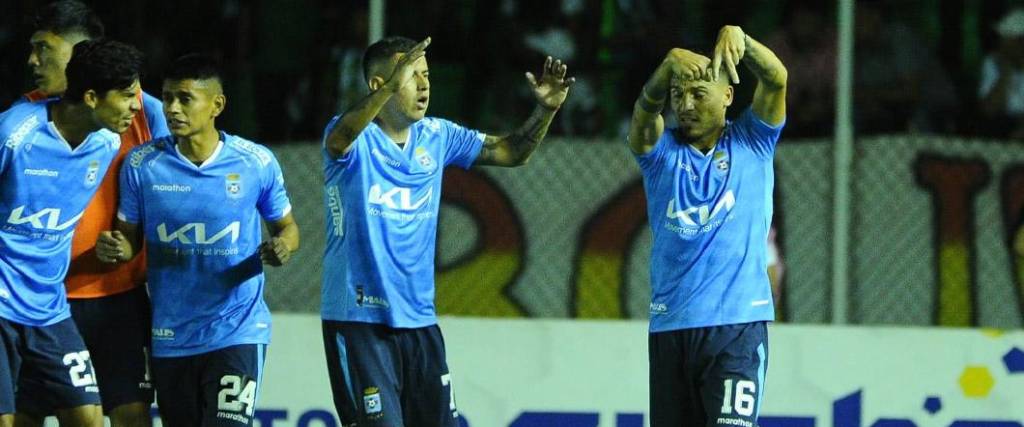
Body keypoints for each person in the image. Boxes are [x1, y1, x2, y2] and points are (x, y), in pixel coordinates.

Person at [320, 36, 573, 426]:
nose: (424, 85)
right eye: (411, 76)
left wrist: (545, 110)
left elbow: (511, 151)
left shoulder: (437, 136)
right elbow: (339, 140)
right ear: (379, 85)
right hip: (359, 322)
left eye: (426, 75)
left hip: (420, 322)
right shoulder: (350, 137)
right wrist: (390, 87)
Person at [95, 54, 299, 427]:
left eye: (185, 98)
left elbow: (287, 228)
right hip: (171, 334)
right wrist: (117, 249)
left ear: (216, 105)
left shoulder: (256, 162)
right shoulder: (142, 165)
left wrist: (283, 246)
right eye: (168, 97)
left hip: (237, 328)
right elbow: (128, 242)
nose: (172, 108)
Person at [15, 2, 168, 425]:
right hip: (45, 300)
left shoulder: (140, 111)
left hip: (118, 301)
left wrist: (135, 241)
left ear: (81, 52)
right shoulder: (24, 120)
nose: (33, 61)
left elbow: (180, 185)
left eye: (44, 49)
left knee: (130, 416)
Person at [627, 25, 786, 426]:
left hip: (735, 330)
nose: (686, 104)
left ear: (728, 96)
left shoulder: (753, 141)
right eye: (678, 95)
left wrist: (743, 41)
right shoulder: (660, 155)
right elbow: (644, 117)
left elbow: (776, 78)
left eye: (699, 94)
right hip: (671, 329)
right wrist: (666, 68)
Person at [979, 7, 1024, 139]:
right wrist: (1005, 74)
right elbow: (988, 109)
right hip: (1003, 126)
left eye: (1007, 39)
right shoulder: (992, 62)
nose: (1002, 44)